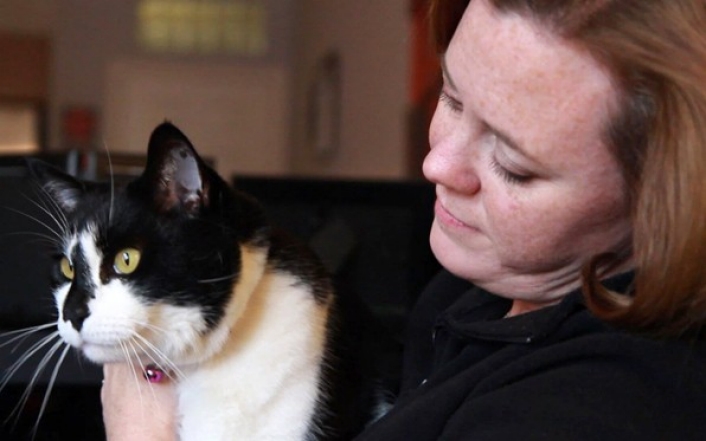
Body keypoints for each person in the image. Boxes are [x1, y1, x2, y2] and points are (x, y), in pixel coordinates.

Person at [101, 0, 706, 439]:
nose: (436, 163)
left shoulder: (598, 408)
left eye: (513, 166)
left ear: (661, 202)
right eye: (451, 96)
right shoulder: (471, 289)